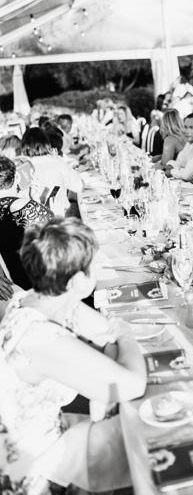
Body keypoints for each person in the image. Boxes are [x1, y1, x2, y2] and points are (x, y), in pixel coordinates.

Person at [0, 218, 147, 493]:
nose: (99, 269)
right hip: (29, 472)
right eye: (95, 264)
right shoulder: (39, 338)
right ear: (78, 280)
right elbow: (131, 383)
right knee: (145, 441)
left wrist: (113, 343)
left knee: (131, 435)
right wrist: (125, 334)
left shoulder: (34, 298)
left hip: (42, 435)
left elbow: (104, 332)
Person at [0, 156, 52, 290]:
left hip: (12, 287)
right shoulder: (26, 208)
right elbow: (59, 233)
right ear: (16, 177)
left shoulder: (25, 205)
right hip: (39, 282)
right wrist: (34, 201)